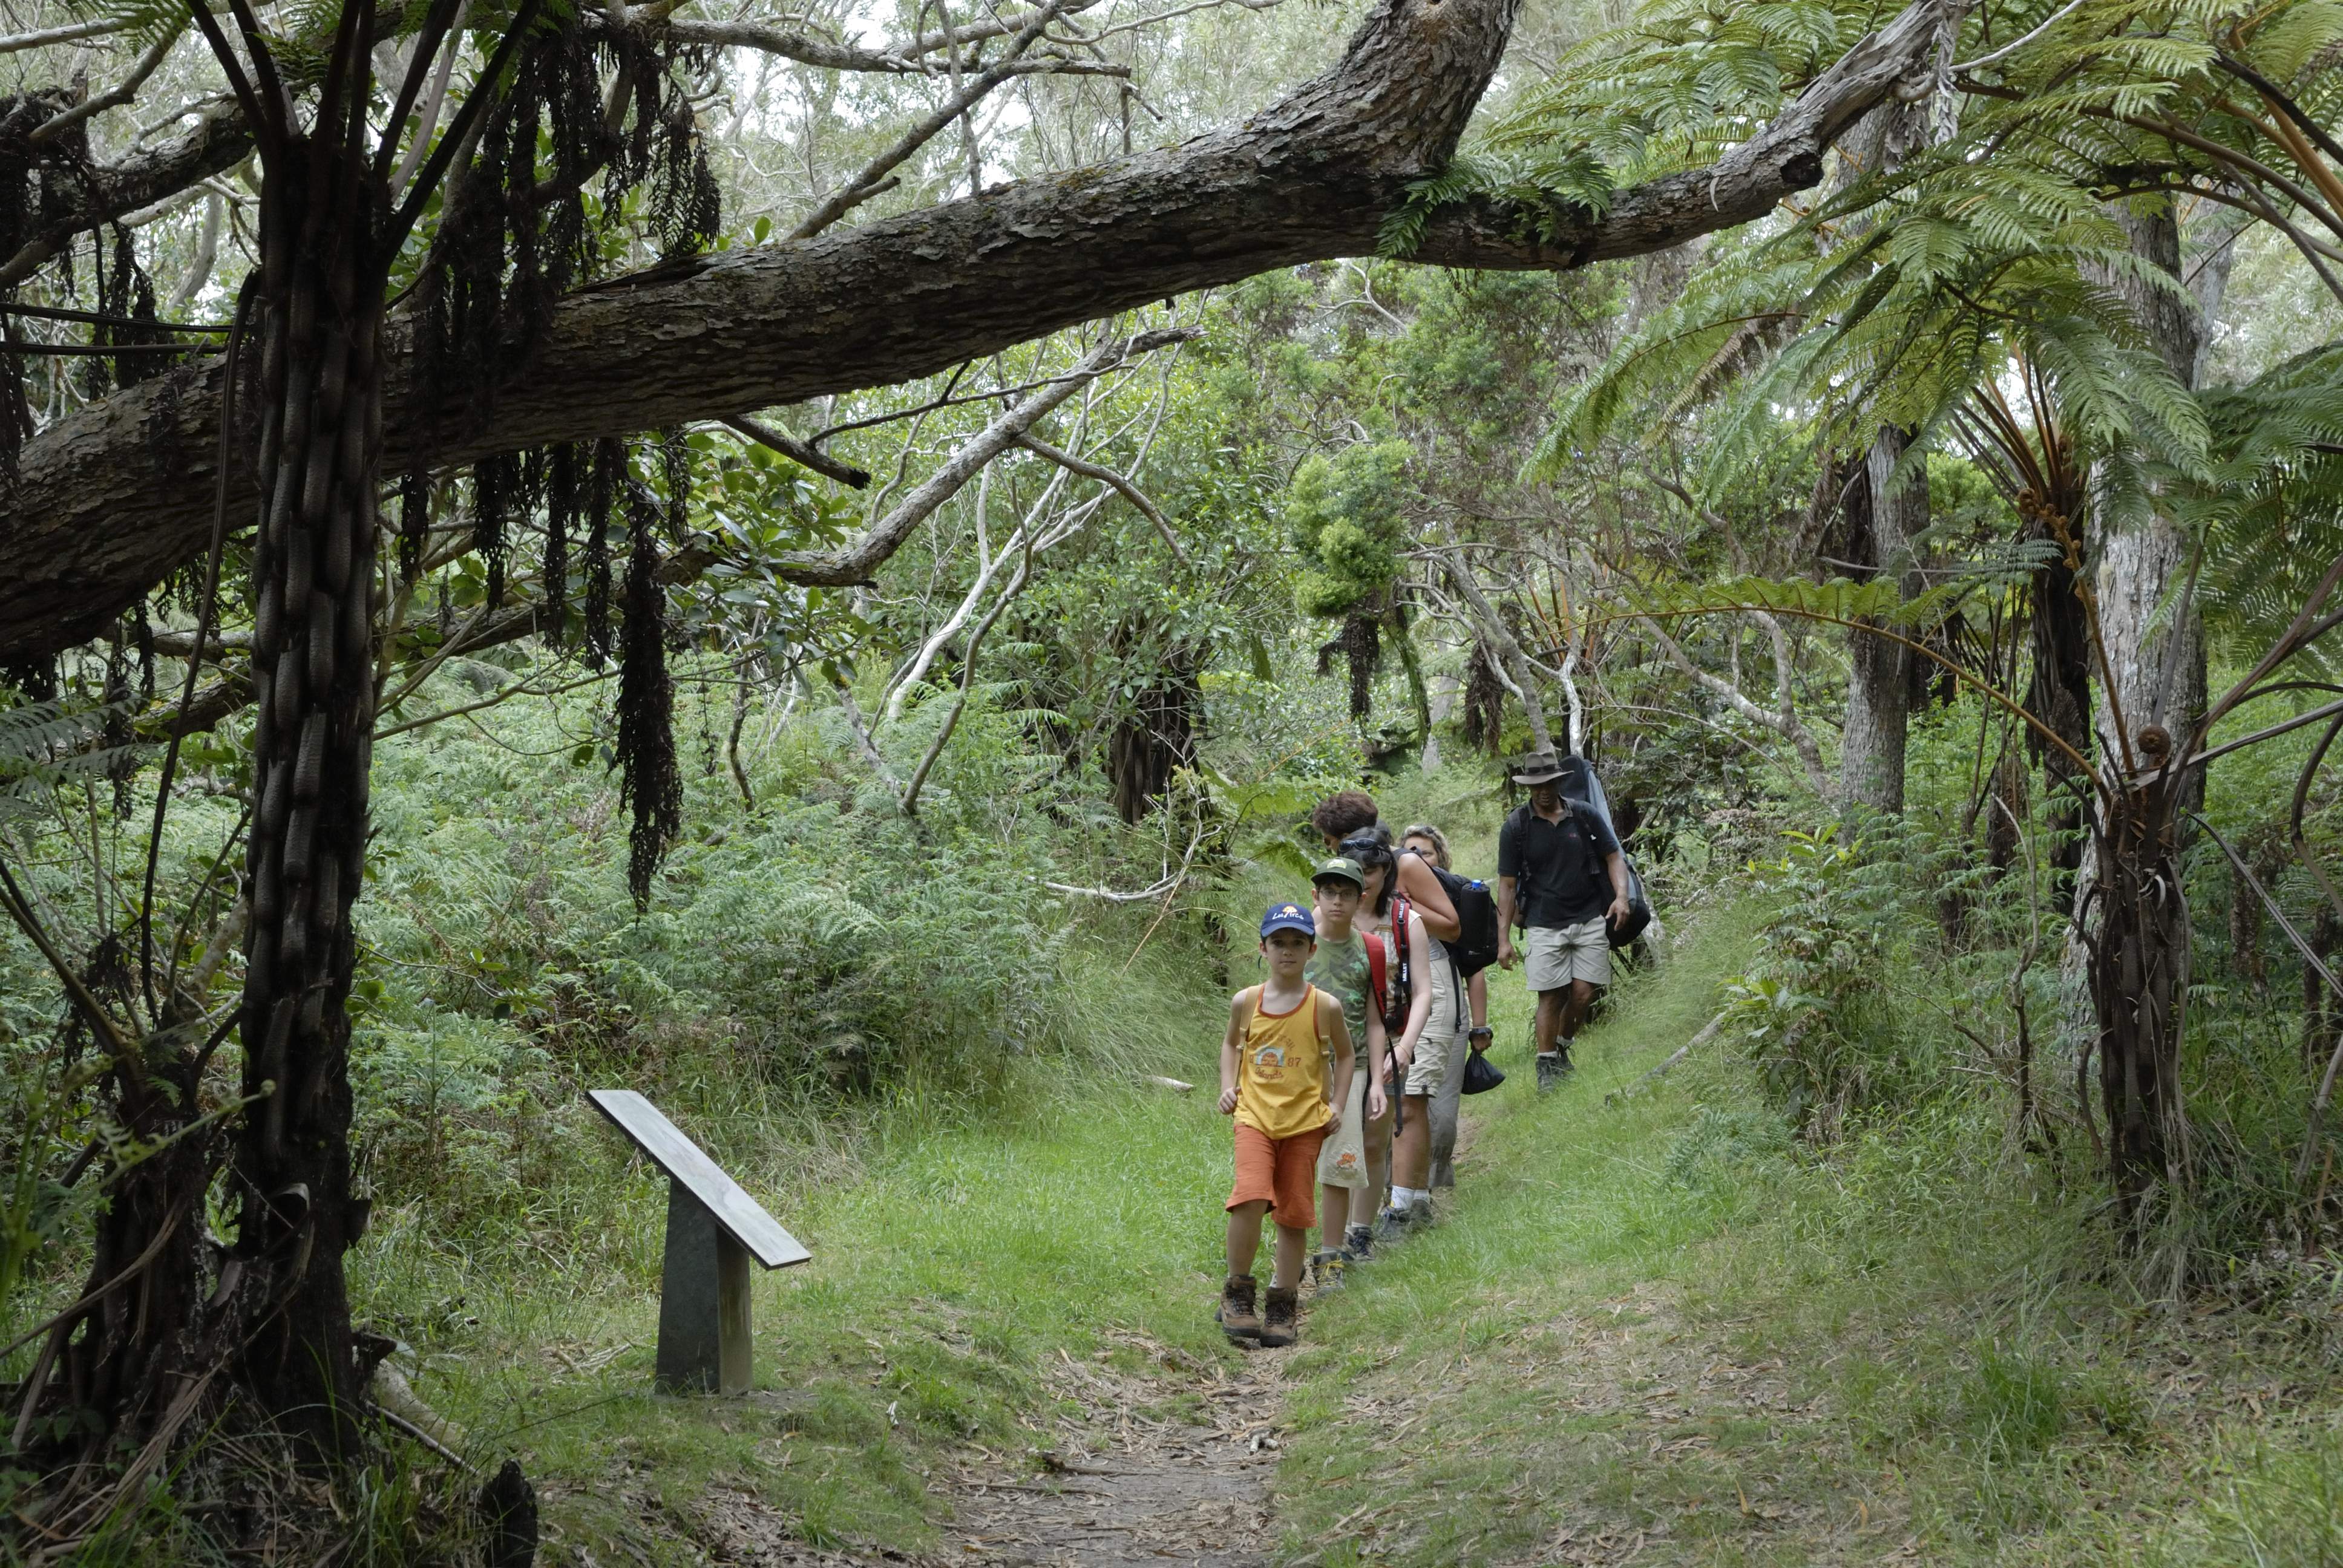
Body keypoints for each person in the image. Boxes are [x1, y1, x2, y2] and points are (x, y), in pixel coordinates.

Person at [1218, 901, 1357, 1348]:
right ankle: (1237, 1294)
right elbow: (1231, 1045)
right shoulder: (1247, 1002)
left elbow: (1347, 1055)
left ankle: (1283, 1303)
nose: (1287, 951)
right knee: (1251, 1196)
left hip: (1304, 1124)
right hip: (1254, 1118)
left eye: (1298, 943)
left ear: (1312, 950)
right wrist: (1227, 1087)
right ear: (1263, 948)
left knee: (1295, 1213)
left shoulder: (1325, 1006)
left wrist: (1337, 1105)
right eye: (1278, 942)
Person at [1495, 751, 1631, 1091]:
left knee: (1584, 993)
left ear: (1559, 782)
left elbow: (1613, 856)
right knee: (1551, 996)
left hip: (1589, 916)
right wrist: (1503, 940)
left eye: (1549, 784)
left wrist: (1622, 896)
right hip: (1543, 922)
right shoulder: (1516, 826)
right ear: (1529, 787)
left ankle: (1561, 1048)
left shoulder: (1583, 815)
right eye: (1536, 785)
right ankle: (1546, 1068)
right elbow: (1507, 885)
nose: (1543, 791)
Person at [1302, 857, 1388, 1290]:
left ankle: (1331, 1256)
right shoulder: (1297, 943)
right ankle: (1291, 1256)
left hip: (1351, 1068)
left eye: (1347, 894)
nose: (1337, 901)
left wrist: (1377, 1082)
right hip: (1298, 1069)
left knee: (1340, 1162)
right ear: (1316, 896)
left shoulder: (1371, 949)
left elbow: (1374, 1020)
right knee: (1296, 1161)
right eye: (1330, 892)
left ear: (1361, 899)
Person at [1346, 832, 1436, 1235]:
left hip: (1391, 1042)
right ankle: (1332, 1230)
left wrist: (1406, 1049)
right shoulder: (1326, 917)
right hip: (1336, 1046)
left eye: (1371, 871)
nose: (1363, 881)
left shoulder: (1405, 920)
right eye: (1355, 871)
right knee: (1334, 1140)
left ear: (1386, 872)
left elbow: (1424, 991)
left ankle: (1358, 1232)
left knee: (1373, 1139)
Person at [1400, 823, 1483, 1191]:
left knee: (1443, 1112)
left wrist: (1480, 1025)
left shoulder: (1452, 900)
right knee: (1405, 1104)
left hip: (1449, 1011)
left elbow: (1474, 970)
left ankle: (1434, 1179)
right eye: (1409, 853)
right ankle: (1408, 1189)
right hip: (1401, 1013)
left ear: (1441, 858)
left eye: (1425, 852)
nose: (1417, 859)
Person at [1310, 790, 1460, 944]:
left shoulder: (1406, 863)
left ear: (1346, 838)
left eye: (1328, 841)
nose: (1329, 847)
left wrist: (1393, 900)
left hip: (1419, 953)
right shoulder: (1341, 867)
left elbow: (1452, 929)